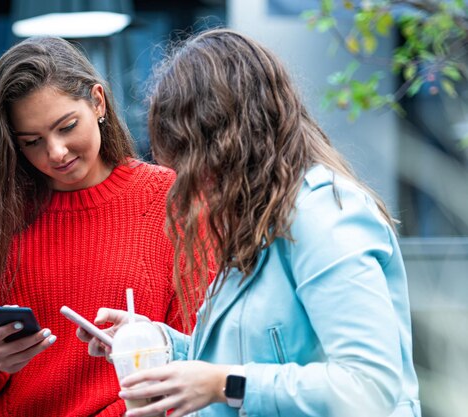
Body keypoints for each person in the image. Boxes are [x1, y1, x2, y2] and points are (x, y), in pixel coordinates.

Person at [81, 28, 421, 417]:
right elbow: (249, 353)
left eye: (189, 164)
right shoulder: (258, 218)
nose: (189, 185)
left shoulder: (325, 216)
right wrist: (160, 342)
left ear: (227, 143)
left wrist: (222, 384)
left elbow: (368, 385)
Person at [0, 36, 190, 417]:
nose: (55, 153)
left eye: (67, 126)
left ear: (98, 102)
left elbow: (197, 353)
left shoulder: (167, 199)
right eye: (32, 141)